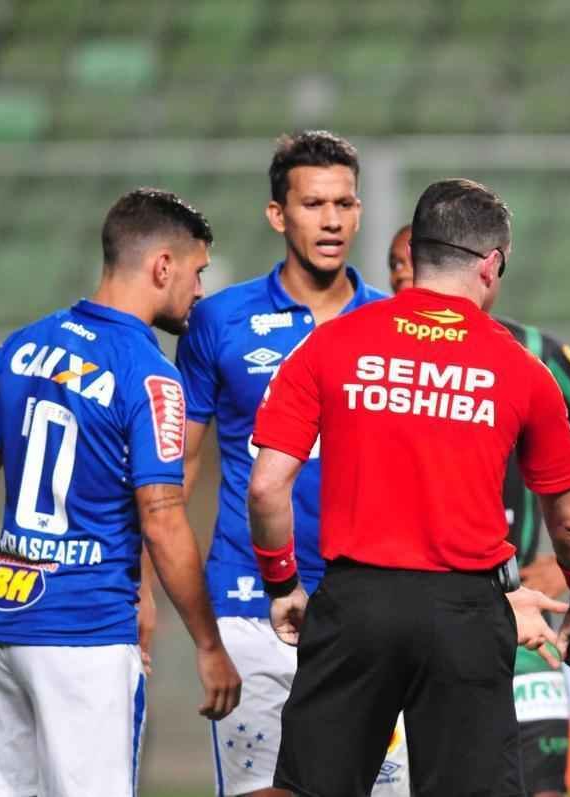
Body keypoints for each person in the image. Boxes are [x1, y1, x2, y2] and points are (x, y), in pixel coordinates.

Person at [248, 178, 570, 796]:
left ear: (414, 254)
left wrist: (282, 580)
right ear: (491, 265)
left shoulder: (331, 343)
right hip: (466, 614)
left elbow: (265, 487)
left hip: (354, 605)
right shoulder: (522, 369)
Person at [0, 188, 241, 797]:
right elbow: (162, 521)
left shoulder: (22, 346)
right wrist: (208, 643)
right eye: (197, 271)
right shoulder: (152, 377)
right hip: (83, 634)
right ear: (163, 266)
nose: (199, 290)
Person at [173, 130, 413, 797]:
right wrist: (147, 590)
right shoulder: (218, 320)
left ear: (359, 211)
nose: (332, 219)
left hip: (363, 601)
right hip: (248, 601)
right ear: (278, 214)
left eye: (344, 203)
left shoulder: (393, 325)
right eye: (313, 204)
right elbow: (178, 470)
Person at [387, 221, 570, 797]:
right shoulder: (374, 360)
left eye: (416, 264)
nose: (409, 278)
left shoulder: (529, 353)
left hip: (517, 612)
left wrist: (563, 563)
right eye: (398, 267)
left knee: (542, 786)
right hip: (411, 612)